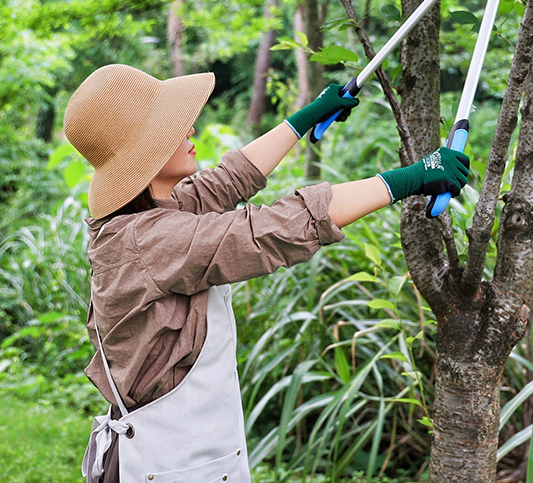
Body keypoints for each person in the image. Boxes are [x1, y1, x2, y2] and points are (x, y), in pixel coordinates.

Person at [65, 64, 470, 483]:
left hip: (185, 455)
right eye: (171, 125)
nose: (189, 127)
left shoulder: (145, 217)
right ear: (146, 151)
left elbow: (227, 181)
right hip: (171, 466)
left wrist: (305, 118)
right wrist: (409, 178)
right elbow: (269, 230)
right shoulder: (150, 241)